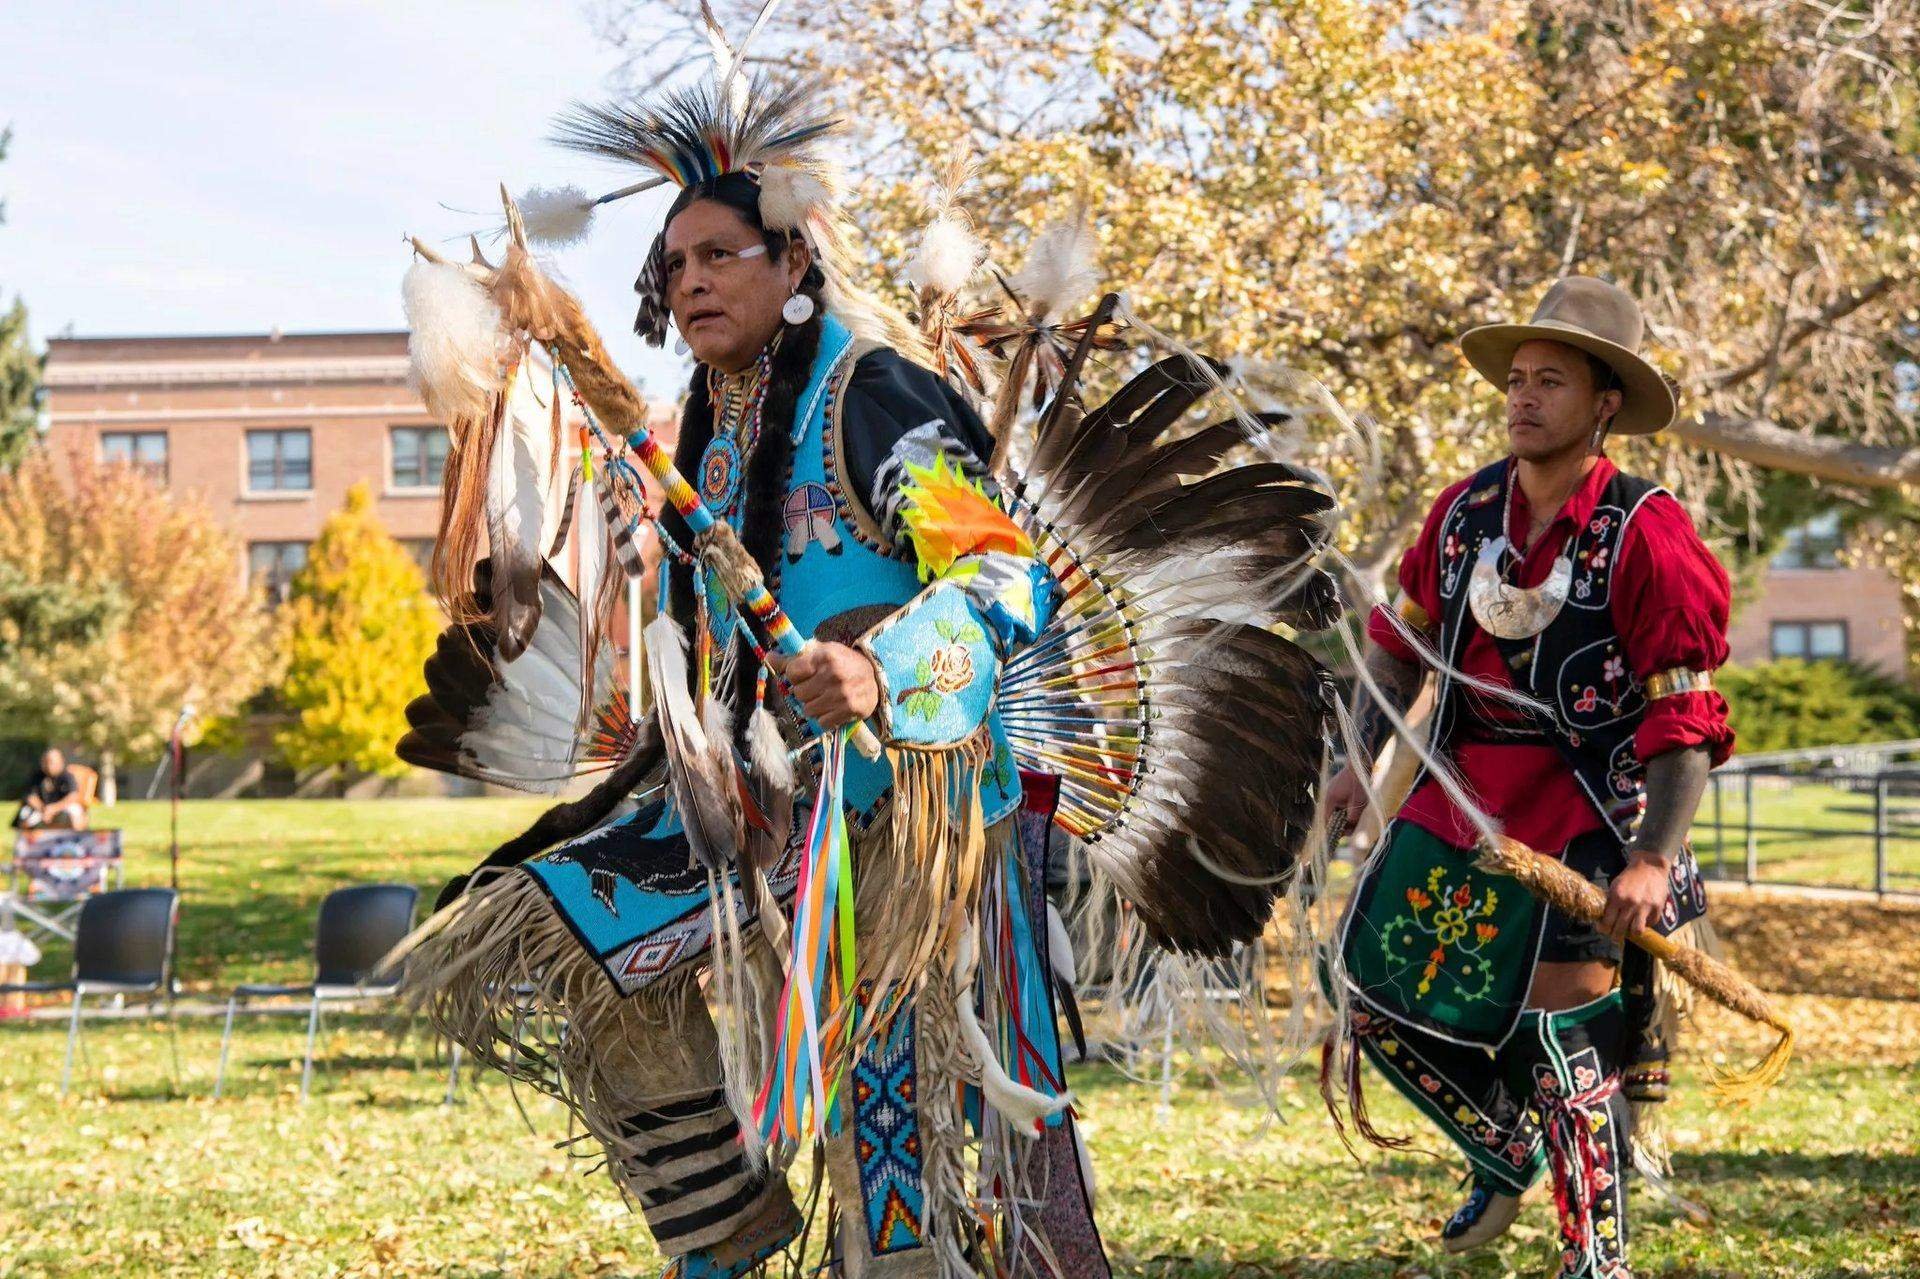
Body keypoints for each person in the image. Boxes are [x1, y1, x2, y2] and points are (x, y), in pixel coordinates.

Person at [391, 44, 1340, 1279]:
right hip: (767, 806)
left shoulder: (871, 393)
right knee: (548, 926)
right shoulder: (705, 438)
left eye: (718, 254)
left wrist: (883, 671)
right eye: (671, 265)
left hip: (918, 815)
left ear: (793, 263)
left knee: (894, 1122)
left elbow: (1007, 575)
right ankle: (721, 1219)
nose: (688, 283)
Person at [1323, 276, 1733, 1279]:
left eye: (1551, 380)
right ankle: (1504, 1148)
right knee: (1368, 993)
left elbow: (1684, 718)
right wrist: (1354, 763)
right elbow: (1396, 649)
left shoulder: (1647, 530)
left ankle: (1596, 1256)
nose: (1524, 397)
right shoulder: (1463, 516)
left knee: (1557, 1028)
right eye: (1516, 379)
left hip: (1590, 812)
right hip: (1461, 802)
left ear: (1603, 405)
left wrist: (1650, 857)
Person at [14, 749, 88, 831]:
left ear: (60, 762)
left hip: (62, 807)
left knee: (75, 812)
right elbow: (30, 796)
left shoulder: (67, 776)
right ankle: (27, 842)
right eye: (45, 762)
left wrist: (54, 809)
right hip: (41, 809)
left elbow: (72, 796)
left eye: (51, 762)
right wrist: (44, 810)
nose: (48, 765)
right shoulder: (37, 776)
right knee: (25, 815)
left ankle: (77, 839)